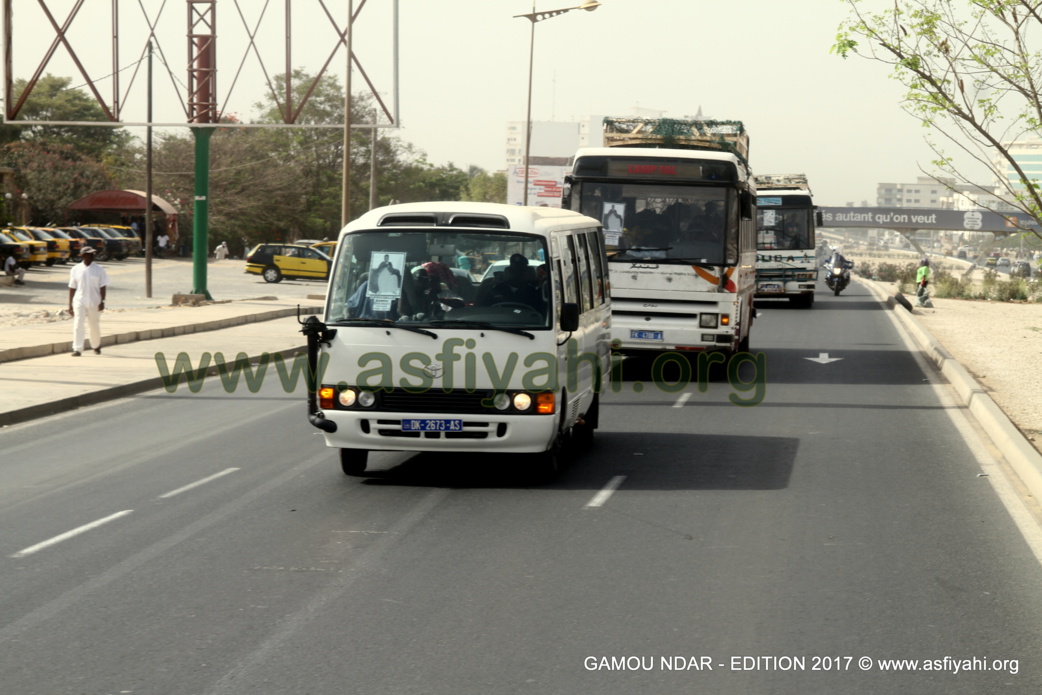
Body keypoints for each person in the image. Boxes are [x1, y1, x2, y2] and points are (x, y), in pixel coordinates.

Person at [67, 246, 109, 356]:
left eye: (92, 254)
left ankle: (96, 345)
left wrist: (102, 301)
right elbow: (72, 287)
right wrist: (70, 306)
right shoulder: (75, 269)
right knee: (78, 323)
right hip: (79, 299)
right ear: (83, 255)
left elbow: (103, 286)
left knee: (93, 324)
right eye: (89, 254)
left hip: (94, 300)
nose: (91, 256)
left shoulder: (99, 269)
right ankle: (77, 349)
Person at [477, 253, 544, 311]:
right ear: (509, 270)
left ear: (527, 272)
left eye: (521, 270)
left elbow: (540, 314)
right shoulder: (496, 289)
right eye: (514, 270)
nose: (517, 273)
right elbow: (483, 310)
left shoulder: (534, 292)